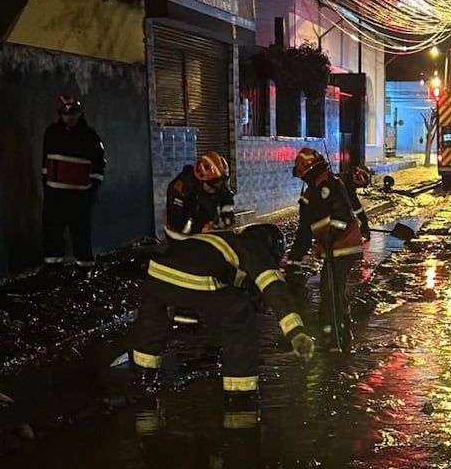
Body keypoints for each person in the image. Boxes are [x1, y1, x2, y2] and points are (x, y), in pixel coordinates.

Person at [131, 223, 316, 398]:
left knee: (152, 317)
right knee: (240, 315)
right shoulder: (255, 248)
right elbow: (275, 288)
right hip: (195, 279)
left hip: (156, 274)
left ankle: (144, 375)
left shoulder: (223, 239)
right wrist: (295, 332)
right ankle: (240, 391)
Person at [288, 147, 363, 351]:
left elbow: (341, 216)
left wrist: (330, 235)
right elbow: (304, 231)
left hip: (342, 247)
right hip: (336, 247)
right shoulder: (313, 194)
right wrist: (294, 259)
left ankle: (334, 338)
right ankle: (341, 328)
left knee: (329, 291)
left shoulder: (328, 186)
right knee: (333, 290)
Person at [41, 94, 106, 270]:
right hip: (55, 193)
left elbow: (99, 165)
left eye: (74, 112)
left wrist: (91, 190)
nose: (70, 117)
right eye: (66, 112)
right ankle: (53, 267)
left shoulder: (90, 137)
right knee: (53, 230)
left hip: (80, 195)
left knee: (81, 231)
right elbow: (45, 164)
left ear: (80, 113)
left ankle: (85, 267)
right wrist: (47, 187)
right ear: (60, 114)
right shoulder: (52, 133)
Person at [164, 150, 236, 240]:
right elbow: (178, 224)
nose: (216, 189)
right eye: (212, 185)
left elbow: (227, 200)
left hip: (205, 228)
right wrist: (201, 228)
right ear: (201, 180)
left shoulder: (219, 184)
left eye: (221, 183)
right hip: (179, 235)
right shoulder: (180, 189)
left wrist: (227, 216)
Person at [340, 164, 372, 242]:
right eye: (359, 186)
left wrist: (363, 220)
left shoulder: (347, 182)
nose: (357, 187)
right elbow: (354, 203)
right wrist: (363, 221)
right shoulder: (345, 185)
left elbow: (355, 205)